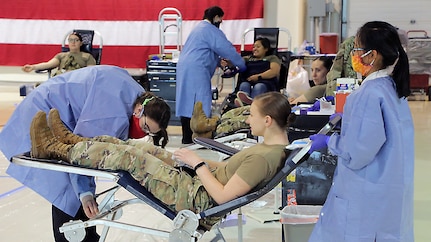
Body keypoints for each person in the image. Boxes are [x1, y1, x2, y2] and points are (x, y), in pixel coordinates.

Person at [29, 91, 296, 228]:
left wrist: (199, 164)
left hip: (195, 199)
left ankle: (55, 149)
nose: (247, 119)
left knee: (132, 159)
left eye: (251, 115)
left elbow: (224, 197)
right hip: (196, 184)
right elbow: (227, 171)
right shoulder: (268, 151)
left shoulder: (264, 157)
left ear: (268, 121)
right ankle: (72, 142)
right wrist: (187, 161)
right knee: (140, 148)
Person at [0, 65, 171, 242]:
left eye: (148, 132)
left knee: (77, 187)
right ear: (138, 111)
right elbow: (85, 153)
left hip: (62, 113)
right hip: (43, 117)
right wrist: (85, 193)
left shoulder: (139, 98)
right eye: (144, 127)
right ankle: (71, 237)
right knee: (67, 189)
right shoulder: (112, 112)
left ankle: (86, 235)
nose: (142, 133)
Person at [308, 21, 414, 241]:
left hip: (367, 192)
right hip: (389, 187)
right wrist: (349, 121)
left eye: (356, 48)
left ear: (372, 55)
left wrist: (329, 142)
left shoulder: (368, 94)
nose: (353, 54)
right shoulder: (392, 89)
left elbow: (357, 153)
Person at [176, 6, 246, 144]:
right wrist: (243, 65)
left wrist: (219, 62)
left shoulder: (198, 28)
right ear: (216, 17)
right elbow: (227, 49)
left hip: (185, 67)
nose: (221, 22)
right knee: (199, 104)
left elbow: (202, 50)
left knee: (187, 103)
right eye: (221, 19)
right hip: (197, 69)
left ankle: (186, 138)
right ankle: (198, 140)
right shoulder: (210, 30)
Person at [232, 37, 282, 106]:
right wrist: (228, 62)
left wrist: (258, 77)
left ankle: (252, 105)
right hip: (248, 82)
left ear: (266, 49)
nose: (254, 49)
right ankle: (246, 103)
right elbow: (236, 62)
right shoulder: (248, 58)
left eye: (258, 47)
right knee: (244, 85)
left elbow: (274, 71)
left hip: (265, 83)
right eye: (253, 47)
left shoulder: (272, 58)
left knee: (259, 86)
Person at [22, 32, 96, 76]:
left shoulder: (87, 56)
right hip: (61, 79)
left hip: (77, 80)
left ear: (81, 43)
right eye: (71, 40)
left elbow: (91, 73)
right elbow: (48, 64)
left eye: (76, 40)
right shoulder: (61, 56)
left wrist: (74, 73)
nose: (73, 42)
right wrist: (33, 67)